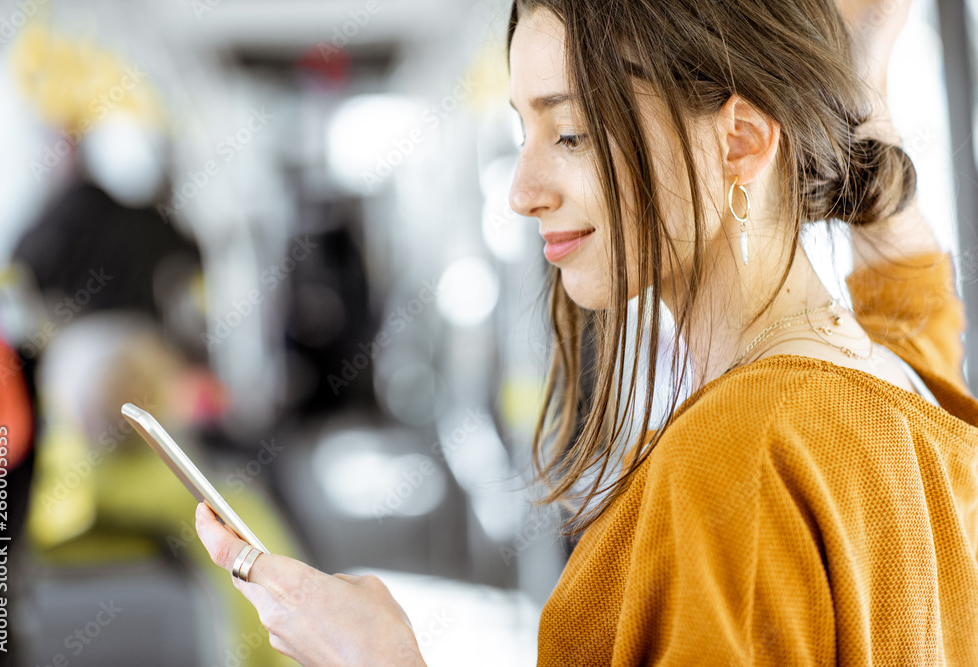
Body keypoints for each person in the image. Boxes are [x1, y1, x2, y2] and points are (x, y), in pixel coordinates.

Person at [196, 0, 978, 664]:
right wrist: (858, 92)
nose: (522, 191)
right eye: (522, 133)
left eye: (569, 134)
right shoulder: (900, 393)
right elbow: (911, 299)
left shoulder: (737, 459)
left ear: (739, 143)